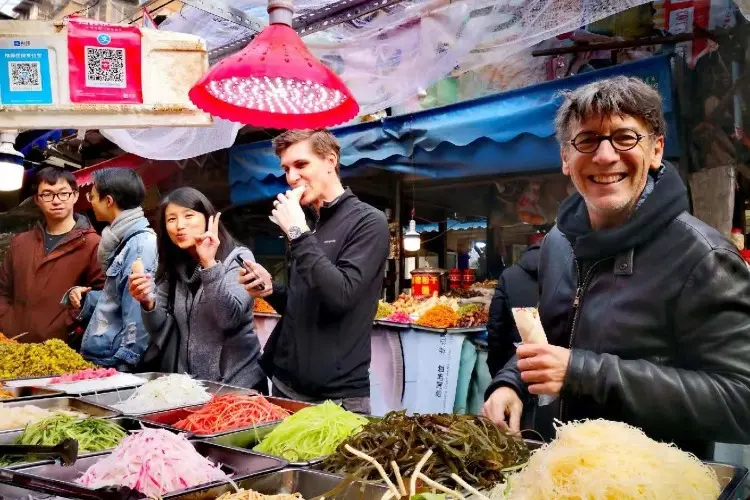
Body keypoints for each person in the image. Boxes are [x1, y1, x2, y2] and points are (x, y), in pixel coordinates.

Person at [483, 76, 750, 458]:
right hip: (557, 468)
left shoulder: (704, 256)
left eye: (625, 138)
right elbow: (552, 340)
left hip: (653, 483)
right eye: (587, 140)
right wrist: (510, 383)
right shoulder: (558, 243)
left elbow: (742, 401)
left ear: (656, 150)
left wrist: (581, 373)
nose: (605, 156)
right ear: (565, 158)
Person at [238, 129, 389, 413]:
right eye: (286, 168)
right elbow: (305, 300)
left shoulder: (369, 221)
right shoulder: (308, 222)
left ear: (330, 160)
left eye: (301, 165)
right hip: (285, 384)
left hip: (336, 396)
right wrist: (271, 290)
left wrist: (297, 233)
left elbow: (340, 297)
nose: (292, 177)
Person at [128, 187, 265, 391]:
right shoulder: (174, 267)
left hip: (238, 387)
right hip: (192, 388)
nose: (179, 226)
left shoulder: (237, 258)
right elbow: (160, 330)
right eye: (171, 219)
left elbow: (228, 319)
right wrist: (148, 302)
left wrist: (210, 264)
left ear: (208, 219)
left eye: (188, 215)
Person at [0, 167, 104, 344]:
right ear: (37, 200)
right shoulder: (20, 243)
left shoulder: (94, 243)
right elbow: (3, 290)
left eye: (63, 193)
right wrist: (8, 323)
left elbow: (103, 295)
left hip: (63, 349)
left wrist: (68, 325)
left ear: (75, 196)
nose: (56, 201)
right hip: (15, 347)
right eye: (47, 194)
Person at [67, 168, 157, 370]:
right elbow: (120, 296)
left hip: (114, 363)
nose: (90, 202)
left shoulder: (140, 245)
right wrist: (87, 300)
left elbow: (137, 309)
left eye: (92, 196)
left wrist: (125, 362)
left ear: (108, 201)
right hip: (107, 357)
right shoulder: (121, 240)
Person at [486, 243, 540, 377]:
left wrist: (497, 370)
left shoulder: (509, 275)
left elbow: (496, 326)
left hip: (517, 362)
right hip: (560, 368)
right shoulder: (569, 274)